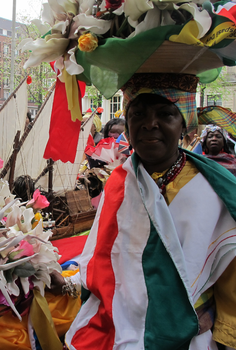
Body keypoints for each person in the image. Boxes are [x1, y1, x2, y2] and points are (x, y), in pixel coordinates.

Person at [65, 74, 236, 350]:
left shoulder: (212, 188)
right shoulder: (119, 182)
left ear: (184, 124)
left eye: (165, 114)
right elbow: (103, 261)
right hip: (119, 328)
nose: (149, 123)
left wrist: (224, 332)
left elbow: (230, 272)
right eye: (138, 114)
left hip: (192, 336)